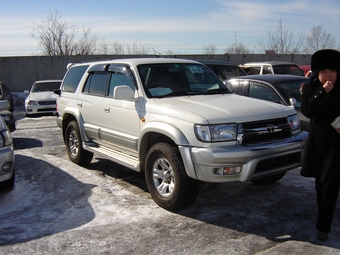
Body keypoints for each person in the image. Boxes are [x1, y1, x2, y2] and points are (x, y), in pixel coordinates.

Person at [301, 49, 340, 241]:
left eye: (332, 71)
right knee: (325, 186)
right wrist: (322, 92)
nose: (328, 76)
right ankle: (323, 226)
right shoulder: (310, 89)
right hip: (322, 147)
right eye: (324, 72)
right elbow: (308, 110)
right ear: (317, 73)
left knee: (331, 185)